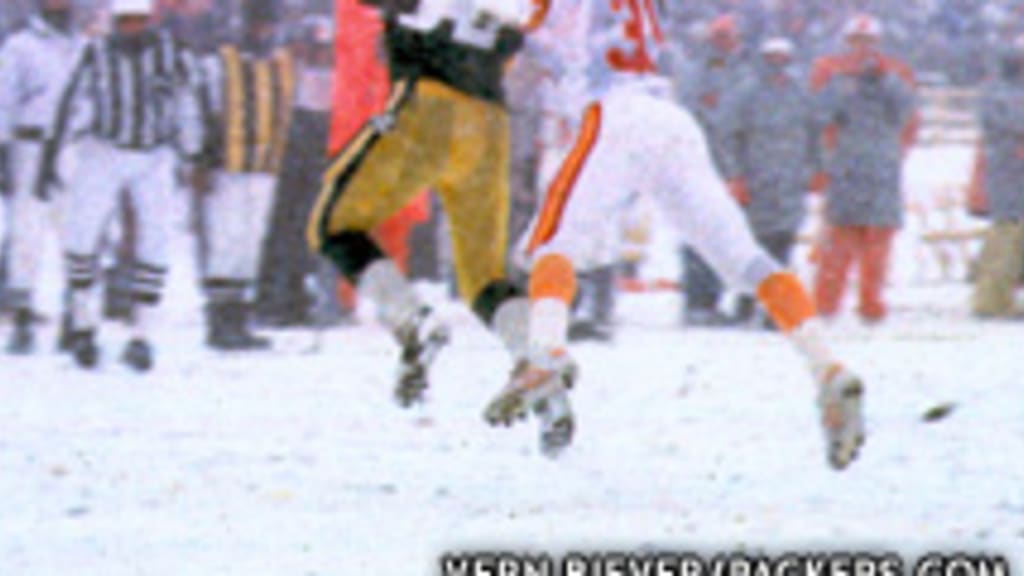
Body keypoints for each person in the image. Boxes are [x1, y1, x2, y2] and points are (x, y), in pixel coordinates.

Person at [488, 0, 867, 469]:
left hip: (611, 116)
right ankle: (826, 366)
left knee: (552, 246)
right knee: (744, 259)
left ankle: (544, 356)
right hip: (670, 118)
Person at [306, 0, 534, 409]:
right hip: (490, 121)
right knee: (484, 277)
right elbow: (513, 37)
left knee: (333, 224)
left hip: (427, 105)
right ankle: (536, 357)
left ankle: (411, 320)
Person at [46, 0, 203, 371]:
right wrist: (56, 154)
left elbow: (187, 104)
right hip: (103, 150)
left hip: (155, 154)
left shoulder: (172, 54)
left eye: (137, 21)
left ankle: (143, 334)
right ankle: (83, 324)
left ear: (149, 20)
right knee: (81, 237)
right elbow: (71, 103)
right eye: (124, 22)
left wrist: (193, 153)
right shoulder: (95, 52)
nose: (131, 28)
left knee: (156, 240)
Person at [194, 0, 295, 350]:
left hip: (265, 164)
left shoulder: (281, 62)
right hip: (228, 163)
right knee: (226, 239)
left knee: (251, 244)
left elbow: (287, 113)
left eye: (268, 25)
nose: (263, 32)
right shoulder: (220, 61)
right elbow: (202, 109)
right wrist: (200, 159)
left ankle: (239, 317)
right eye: (258, 25)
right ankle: (219, 319)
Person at [811, 14, 918, 324]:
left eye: (868, 42)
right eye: (857, 42)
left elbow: (907, 113)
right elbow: (821, 115)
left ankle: (871, 302)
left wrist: (884, 81)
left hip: (883, 164)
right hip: (846, 164)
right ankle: (826, 302)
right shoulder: (830, 71)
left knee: (879, 240)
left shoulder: (895, 73)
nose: (862, 49)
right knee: (840, 238)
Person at [0, 0, 85, 354]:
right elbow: (4, 100)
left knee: (78, 233)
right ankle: (21, 314)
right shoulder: (20, 46)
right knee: (27, 233)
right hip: (30, 145)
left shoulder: (84, 46)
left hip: (74, 147)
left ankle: (76, 317)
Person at [719, 37, 821, 327]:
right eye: (772, 59)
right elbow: (729, 137)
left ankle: (777, 309)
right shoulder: (745, 94)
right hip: (756, 180)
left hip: (790, 180)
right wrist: (734, 175)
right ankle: (746, 302)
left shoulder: (801, 95)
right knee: (753, 243)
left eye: (782, 59)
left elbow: (814, 135)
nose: (777, 65)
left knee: (784, 244)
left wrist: (817, 169)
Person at [672, 14, 749, 327]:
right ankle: (698, 300)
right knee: (697, 233)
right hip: (700, 163)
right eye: (718, 38)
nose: (723, 45)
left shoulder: (744, 73)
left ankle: (722, 297)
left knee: (728, 233)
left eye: (728, 39)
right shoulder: (693, 72)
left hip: (737, 165)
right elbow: (694, 111)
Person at [972, 39, 1024, 318]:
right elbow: (1009, 123)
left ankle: (1001, 296)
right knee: (1006, 237)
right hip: (1008, 172)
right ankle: (991, 300)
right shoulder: (997, 92)